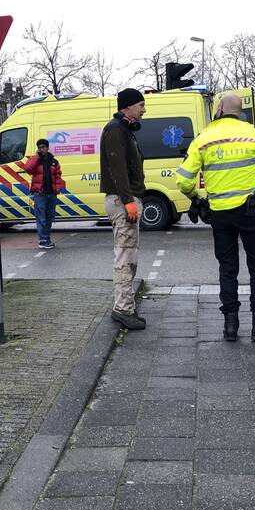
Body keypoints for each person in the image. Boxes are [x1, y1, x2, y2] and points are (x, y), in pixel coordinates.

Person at [176, 94, 255, 342]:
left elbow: (183, 180)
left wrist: (197, 197)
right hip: (249, 210)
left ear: (220, 108)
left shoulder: (203, 138)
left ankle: (230, 327)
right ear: (239, 111)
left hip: (219, 213)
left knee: (228, 268)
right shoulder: (254, 135)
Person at [100, 88, 147, 331]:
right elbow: (117, 167)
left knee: (128, 255)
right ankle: (123, 309)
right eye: (140, 104)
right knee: (125, 256)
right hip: (122, 201)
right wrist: (128, 199)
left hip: (125, 199)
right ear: (127, 107)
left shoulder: (124, 130)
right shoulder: (117, 131)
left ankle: (124, 306)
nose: (143, 109)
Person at [22, 138, 65, 249]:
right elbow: (27, 169)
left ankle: (47, 238)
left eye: (43, 147)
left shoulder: (54, 161)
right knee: (41, 218)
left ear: (47, 147)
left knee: (49, 217)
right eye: (40, 148)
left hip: (51, 194)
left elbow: (57, 176)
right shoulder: (36, 160)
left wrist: (57, 189)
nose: (42, 149)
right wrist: (37, 157)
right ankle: (43, 240)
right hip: (40, 194)